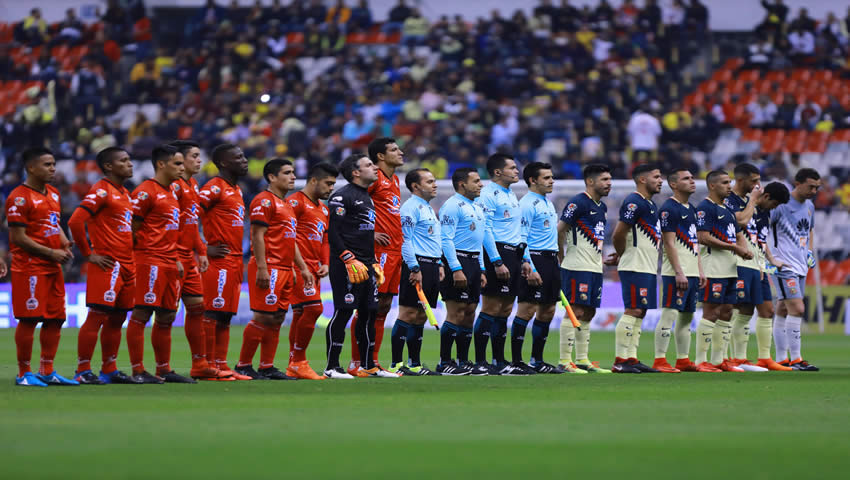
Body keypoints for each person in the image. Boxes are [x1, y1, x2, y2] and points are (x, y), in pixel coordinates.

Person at [236, 158, 314, 380]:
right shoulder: (264, 201)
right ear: (272, 177)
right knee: (262, 316)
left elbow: (291, 240)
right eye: (287, 173)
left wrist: (303, 267)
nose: (292, 177)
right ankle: (243, 365)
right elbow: (257, 235)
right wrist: (261, 266)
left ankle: (266, 366)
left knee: (278, 317)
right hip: (269, 266)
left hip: (286, 268)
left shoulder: (287, 205)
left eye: (293, 172)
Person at [68, 147, 140, 384]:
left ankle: (109, 369)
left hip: (128, 264)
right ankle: (82, 370)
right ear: (109, 166)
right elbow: (76, 221)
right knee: (97, 316)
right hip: (108, 263)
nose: (129, 164)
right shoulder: (101, 190)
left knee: (118, 318)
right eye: (124, 160)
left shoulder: (125, 193)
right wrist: (89, 254)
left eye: (129, 160)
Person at [7, 147, 77, 387]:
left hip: (52, 266)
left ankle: (47, 370)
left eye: (54, 164)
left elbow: (53, 224)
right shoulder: (19, 197)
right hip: (30, 268)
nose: (53, 169)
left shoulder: (54, 194)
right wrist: (50, 252)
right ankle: (23, 374)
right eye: (47, 164)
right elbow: (17, 237)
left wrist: (63, 241)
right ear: (31, 168)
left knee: (56, 318)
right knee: (29, 319)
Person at [325, 154, 399, 379]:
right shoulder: (342, 196)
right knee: (344, 310)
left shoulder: (367, 197)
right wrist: (348, 258)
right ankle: (332, 367)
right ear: (355, 172)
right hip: (347, 264)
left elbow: (364, 234)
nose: (375, 167)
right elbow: (334, 233)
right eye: (368, 165)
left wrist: (373, 261)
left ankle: (369, 365)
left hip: (368, 263)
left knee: (370, 312)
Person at [127, 145, 194, 384]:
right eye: (177, 163)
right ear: (161, 164)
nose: (182, 167)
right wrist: (143, 254)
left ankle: (164, 369)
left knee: (166, 316)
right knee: (142, 313)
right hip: (150, 260)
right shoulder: (145, 191)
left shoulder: (173, 192)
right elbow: (132, 229)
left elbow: (169, 230)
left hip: (169, 261)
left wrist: (175, 257)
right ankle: (137, 370)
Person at [170, 140, 231, 381]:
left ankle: (200, 364)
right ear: (180, 160)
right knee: (163, 314)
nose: (199, 160)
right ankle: (157, 368)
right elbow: (167, 225)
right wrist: (173, 254)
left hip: (189, 258)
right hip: (169, 256)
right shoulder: (172, 187)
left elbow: (191, 224)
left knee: (198, 307)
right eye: (194, 156)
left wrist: (202, 251)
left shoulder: (193, 184)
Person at [724, 170, 792, 371]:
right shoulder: (734, 202)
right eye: (774, 204)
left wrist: (772, 260)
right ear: (767, 197)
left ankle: (764, 358)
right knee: (737, 309)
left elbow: (760, 239)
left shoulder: (765, 212)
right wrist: (752, 201)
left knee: (765, 310)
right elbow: (740, 223)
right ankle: (734, 358)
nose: (757, 185)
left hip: (759, 265)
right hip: (740, 263)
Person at [348, 138, 404, 375]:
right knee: (368, 307)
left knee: (383, 306)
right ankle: (355, 362)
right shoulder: (374, 179)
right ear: (380, 157)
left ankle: (372, 361)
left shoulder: (395, 180)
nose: (400, 152)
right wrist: (369, 235)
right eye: (394, 150)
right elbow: (350, 206)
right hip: (378, 253)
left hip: (395, 251)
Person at [475, 153, 534, 376]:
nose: (517, 171)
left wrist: (525, 259)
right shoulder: (488, 194)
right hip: (496, 253)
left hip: (513, 254)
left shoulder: (511, 196)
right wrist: (497, 261)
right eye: (512, 167)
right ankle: (481, 361)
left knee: (505, 309)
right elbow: (486, 229)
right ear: (498, 172)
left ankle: (500, 361)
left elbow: (519, 232)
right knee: (491, 307)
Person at [199, 144, 251, 380]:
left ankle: (221, 365)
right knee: (213, 314)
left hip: (234, 261)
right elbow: (189, 214)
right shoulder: (213, 188)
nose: (244, 160)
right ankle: (207, 365)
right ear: (223, 163)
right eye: (238, 157)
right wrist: (202, 247)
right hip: (217, 260)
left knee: (226, 315)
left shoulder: (236, 190)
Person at [557, 164, 614, 374]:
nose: (609, 184)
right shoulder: (578, 202)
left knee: (589, 312)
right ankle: (564, 361)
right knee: (576, 310)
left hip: (594, 267)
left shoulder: (602, 207)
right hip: (576, 266)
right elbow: (560, 230)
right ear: (590, 181)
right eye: (605, 180)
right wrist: (561, 257)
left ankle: (582, 360)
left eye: (610, 179)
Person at [695, 170, 753, 373]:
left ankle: (719, 360)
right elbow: (703, 237)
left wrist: (744, 249)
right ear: (712, 186)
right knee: (711, 312)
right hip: (713, 268)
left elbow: (738, 234)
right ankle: (701, 361)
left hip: (730, 268)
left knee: (727, 311)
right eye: (724, 183)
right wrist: (735, 248)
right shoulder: (705, 208)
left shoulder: (727, 209)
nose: (729, 186)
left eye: (730, 182)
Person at [387, 168, 442, 376]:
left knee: (420, 316)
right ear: (415, 186)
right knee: (408, 313)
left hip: (432, 265)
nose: (434, 184)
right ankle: (395, 364)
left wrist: (440, 265)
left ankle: (415, 364)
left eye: (434, 180)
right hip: (417, 265)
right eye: (429, 181)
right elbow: (405, 240)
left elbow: (431, 240)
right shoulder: (410, 208)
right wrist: (414, 267)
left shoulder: (427, 208)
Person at [287, 163, 338, 380]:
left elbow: (325, 238)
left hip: (314, 267)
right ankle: (299, 361)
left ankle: (294, 363)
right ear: (313, 181)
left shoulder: (323, 208)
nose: (331, 188)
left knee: (300, 313)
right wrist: (299, 266)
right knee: (314, 309)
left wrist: (324, 262)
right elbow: (288, 236)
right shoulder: (295, 202)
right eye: (328, 183)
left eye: (333, 184)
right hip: (299, 266)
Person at [611, 163, 663, 373]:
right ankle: (620, 360)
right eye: (657, 176)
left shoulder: (650, 204)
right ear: (642, 179)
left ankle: (631, 357)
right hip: (635, 265)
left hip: (647, 266)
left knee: (640, 311)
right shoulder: (634, 202)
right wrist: (624, 254)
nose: (660, 180)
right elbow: (618, 234)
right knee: (633, 309)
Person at [654, 167, 706, 373]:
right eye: (686, 179)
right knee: (670, 314)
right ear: (674, 184)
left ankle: (683, 359)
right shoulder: (669, 208)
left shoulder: (691, 209)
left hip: (692, 272)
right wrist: (679, 272)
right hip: (676, 273)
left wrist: (700, 270)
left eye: (692, 178)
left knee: (687, 317)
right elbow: (669, 243)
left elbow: (695, 244)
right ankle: (660, 359)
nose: (692, 181)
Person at [437, 168, 487, 375]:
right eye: (475, 181)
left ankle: (464, 361)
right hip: (457, 261)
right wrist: (456, 268)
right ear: (462, 184)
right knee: (456, 312)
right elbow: (446, 239)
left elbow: (480, 240)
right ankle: (445, 362)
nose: (480, 184)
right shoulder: (451, 206)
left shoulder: (476, 207)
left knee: (469, 313)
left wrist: (482, 268)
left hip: (474, 262)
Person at [770, 168, 821, 371]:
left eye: (817, 187)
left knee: (783, 308)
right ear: (797, 183)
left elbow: (809, 230)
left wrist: (809, 252)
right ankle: (797, 358)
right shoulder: (780, 205)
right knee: (798, 308)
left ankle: (782, 359)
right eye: (811, 186)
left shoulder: (809, 206)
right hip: (784, 265)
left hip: (801, 265)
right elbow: (764, 229)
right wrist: (771, 258)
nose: (814, 191)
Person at [514, 162, 563, 374]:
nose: (551, 181)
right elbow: (521, 237)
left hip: (551, 260)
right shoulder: (526, 204)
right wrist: (530, 266)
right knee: (527, 309)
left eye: (552, 177)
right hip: (535, 259)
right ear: (533, 181)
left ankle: (537, 360)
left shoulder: (547, 203)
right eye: (546, 177)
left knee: (548, 310)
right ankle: (516, 361)